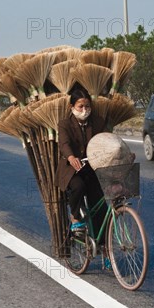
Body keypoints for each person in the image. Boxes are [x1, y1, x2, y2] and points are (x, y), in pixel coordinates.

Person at [56, 89, 108, 234]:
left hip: (92, 168)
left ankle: (104, 246)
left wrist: (123, 152)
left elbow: (108, 139)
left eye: (87, 106)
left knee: (100, 204)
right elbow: (64, 144)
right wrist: (71, 157)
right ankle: (75, 218)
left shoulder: (98, 122)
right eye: (81, 106)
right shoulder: (64, 124)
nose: (85, 110)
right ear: (71, 107)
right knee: (78, 186)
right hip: (72, 169)